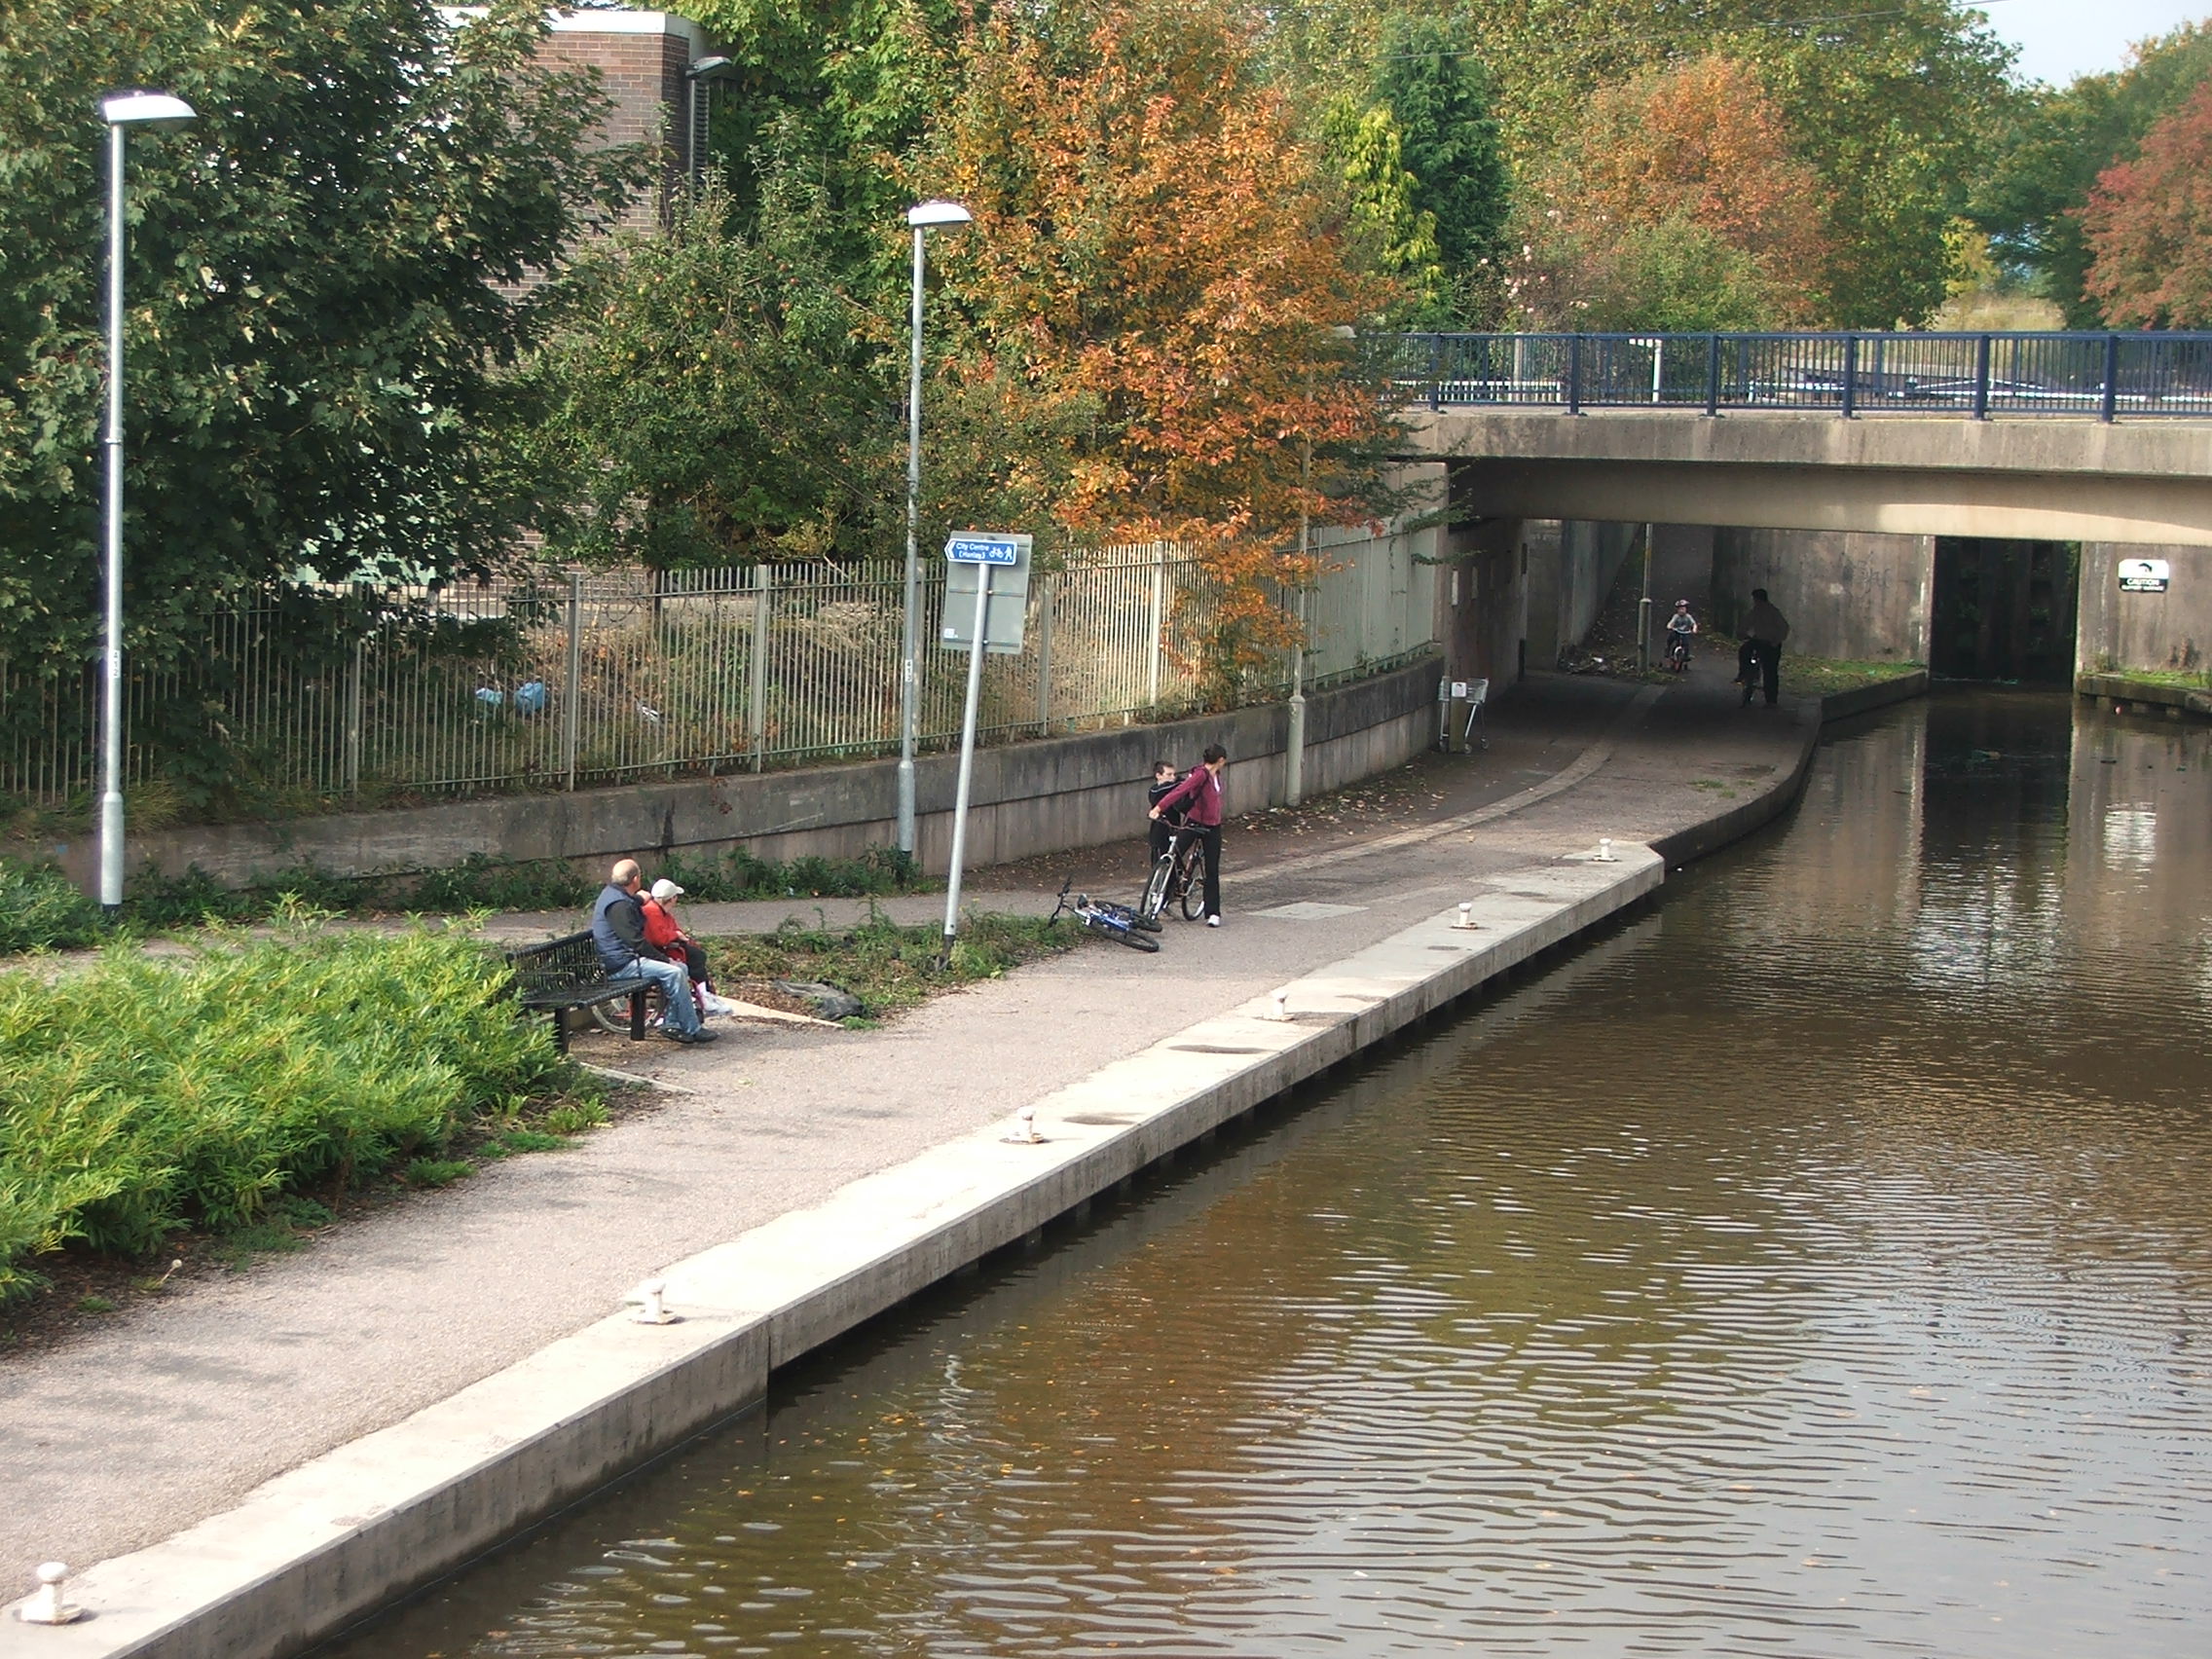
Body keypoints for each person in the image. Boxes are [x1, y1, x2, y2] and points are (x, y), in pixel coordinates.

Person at [591, 858, 716, 1044]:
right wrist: (665, 960)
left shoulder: (613, 894)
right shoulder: (619, 905)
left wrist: (640, 898)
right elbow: (636, 941)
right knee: (674, 971)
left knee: (681, 968)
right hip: (620, 964)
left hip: (622, 958)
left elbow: (629, 907)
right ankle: (693, 1028)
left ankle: (671, 1024)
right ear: (635, 879)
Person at [1148, 743, 1228, 927]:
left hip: (1213, 826)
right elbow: (1179, 791)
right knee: (1173, 856)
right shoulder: (1200, 775)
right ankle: (1164, 897)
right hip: (1194, 823)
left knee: (1212, 869)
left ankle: (1213, 912)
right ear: (1221, 760)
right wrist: (1159, 808)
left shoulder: (1217, 776)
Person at [642, 877, 733, 1019]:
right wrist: (676, 935)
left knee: (697, 955)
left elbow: (672, 928)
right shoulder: (652, 912)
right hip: (659, 951)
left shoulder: (660, 911)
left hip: (664, 948)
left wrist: (679, 935)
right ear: (671, 898)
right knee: (695, 957)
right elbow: (659, 938)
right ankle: (703, 997)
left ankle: (704, 994)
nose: (676, 900)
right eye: (675, 897)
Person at [1737, 588, 1790, 708]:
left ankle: (1771, 700)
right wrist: (1741, 633)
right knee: (1744, 650)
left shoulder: (1772, 611)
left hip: (1770, 643)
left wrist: (1776, 641)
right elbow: (1746, 623)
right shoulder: (1756, 611)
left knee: (1770, 671)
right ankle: (1743, 673)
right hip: (1759, 641)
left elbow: (1784, 627)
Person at [1146, 759, 1186, 867]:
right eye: (1169, 774)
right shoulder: (1155, 791)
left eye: (1174, 774)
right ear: (1158, 775)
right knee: (1159, 863)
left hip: (1174, 829)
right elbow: (1162, 791)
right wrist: (1183, 783)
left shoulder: (1174, 789)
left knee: (1175, 861)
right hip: (1159, 832)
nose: (1172, 778)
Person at [1665, 599, 1698, 669]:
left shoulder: (1688, 617)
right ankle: (1668, 653)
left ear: (1686, 609)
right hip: (1676, 631)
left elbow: (1694, 624)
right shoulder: (1676, 616)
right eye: (1679, 609)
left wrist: (1694, 629)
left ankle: (1686, 657)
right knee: (1670, 640)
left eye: (1683, 609)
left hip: (1685, 633)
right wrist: (1669, 626)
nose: (1681, 611)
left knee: (1686, 645)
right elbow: (1671, 622)